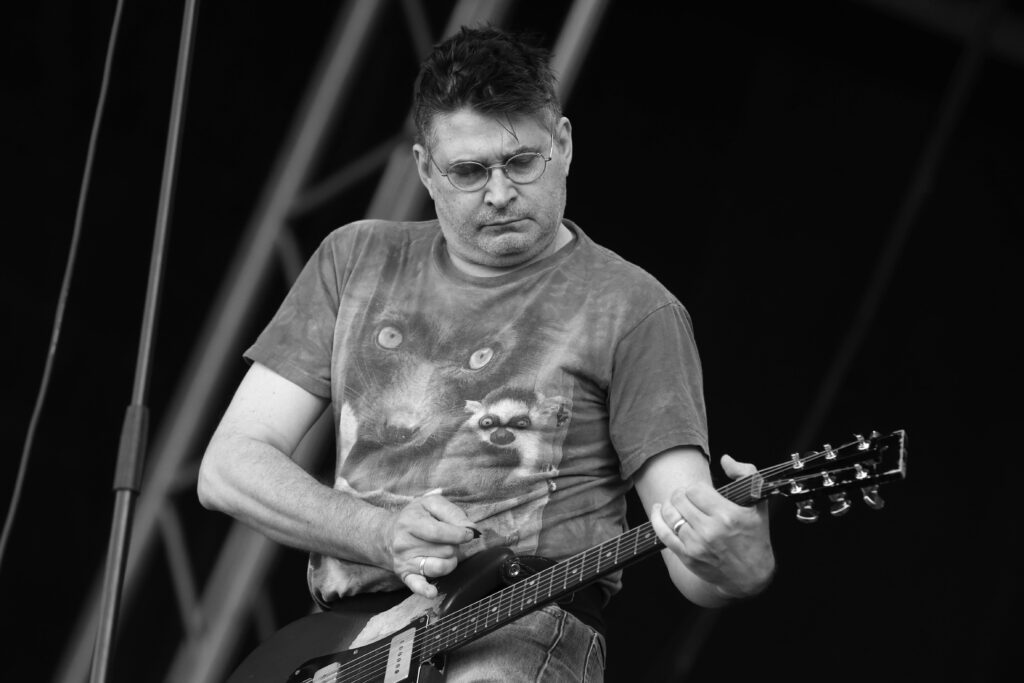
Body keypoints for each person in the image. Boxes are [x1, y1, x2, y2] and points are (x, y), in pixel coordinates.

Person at [198, 24, 775, 682]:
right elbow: (229, 466)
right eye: (469, 171)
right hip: (341, 641)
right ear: (423, 169)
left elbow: (687, 531)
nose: (499, 193)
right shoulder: (355, 257)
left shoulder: (635, 307)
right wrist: (377, 533)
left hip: (517, 627)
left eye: (520, 162)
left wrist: (738, 559)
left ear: (561, 145)